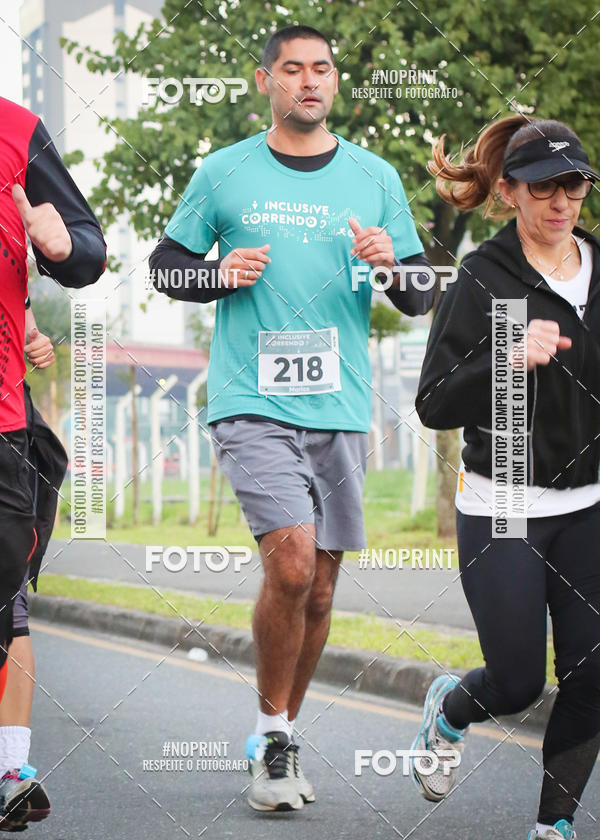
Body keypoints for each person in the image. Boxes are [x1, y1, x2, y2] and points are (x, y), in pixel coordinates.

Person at [150, 24, 434, 812]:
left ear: (334, 82)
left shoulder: (375, 177)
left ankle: (279, 733)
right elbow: (164, 265)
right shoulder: (224, 170)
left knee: (321, 590)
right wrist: (216, 273)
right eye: (293, 70)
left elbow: (419, 293)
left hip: (340, 404)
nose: (310, 81)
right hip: (251, 400)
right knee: (292, 565)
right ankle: (273, 741)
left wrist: (390, 265)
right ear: (265, 79)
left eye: (322, 70)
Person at [412, 114, 600, 840]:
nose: (561, 202)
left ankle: (552, 825)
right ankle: (451, 710)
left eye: (574, 186)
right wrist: (508, 357)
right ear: (512, 191)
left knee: (591, 675)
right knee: (519, 681)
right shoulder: (485, 278)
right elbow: (434, 401)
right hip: (506, 503)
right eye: (544, 188)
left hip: (588, 506)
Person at [0, 96, 106, 831]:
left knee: (8, 606)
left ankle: (9, 764)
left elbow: (90, 251)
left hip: (5, 425)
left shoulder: (15, 130)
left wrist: (59, 245)